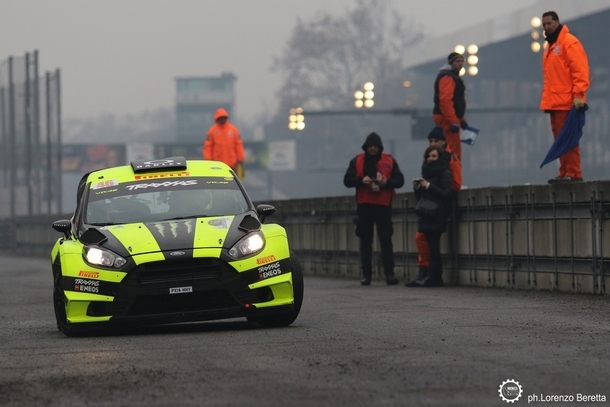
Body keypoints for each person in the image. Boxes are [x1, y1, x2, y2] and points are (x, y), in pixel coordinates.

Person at [343, 132, 405, 286]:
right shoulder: (357, 161)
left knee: (386, 241)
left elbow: (400, 180)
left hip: (383, 205)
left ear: (380, 147)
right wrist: (360, 180)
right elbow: (347, 180)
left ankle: (389, 274)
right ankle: (367, 275)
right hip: (364, 205)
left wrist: (386, 182)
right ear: (366, 147)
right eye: (370, 146)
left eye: (375, 146)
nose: (372, 149)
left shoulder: (389, 161)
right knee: (365, 242)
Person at [405, 126, 461, 287]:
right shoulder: (428, 171)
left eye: (434, 155)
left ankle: (434, 276)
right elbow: (423, 197)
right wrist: (419, 187)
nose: (430, 157)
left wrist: (428, 185)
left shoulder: (444, 171)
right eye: (429, 154)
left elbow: (447, 192)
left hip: (437, 214)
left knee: (434, 247)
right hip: (427, 213)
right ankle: (428, 275)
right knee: (427, 243)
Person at [539, 11, 590, 184]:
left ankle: (574, 173)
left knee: (569, 137)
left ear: (557, 22)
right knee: (561, 138)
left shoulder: (569, 42)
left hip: (567, 101)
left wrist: (579, 94)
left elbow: (580, 70)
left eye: (549, 24)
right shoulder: (551, 46)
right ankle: (564, 171)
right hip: (555, 102)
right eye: (544, 25)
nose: (546, 27)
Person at [433, 52, 468, 162]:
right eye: (458, 61)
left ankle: (453, 175)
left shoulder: (451, 76)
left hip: (450, 117)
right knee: (452, 151)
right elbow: (445, 100)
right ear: (451, 62)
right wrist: (453, 120)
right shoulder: (448, 77)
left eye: (462, 61)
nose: (461, 64)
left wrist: (461, 119)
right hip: (446, 118)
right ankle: (453, 176)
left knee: (451, 149)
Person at [202, 108, 246, 178]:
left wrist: (240, 159)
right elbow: (208, 147)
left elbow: (239, 145)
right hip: (217, 166)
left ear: (226, 118)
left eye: (223, 118)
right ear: (217, 119)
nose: (222, 119)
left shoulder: (233, 130)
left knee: (232, 185)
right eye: (220, 118)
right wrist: (208, 161)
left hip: (232, 165)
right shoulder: (212, 131)